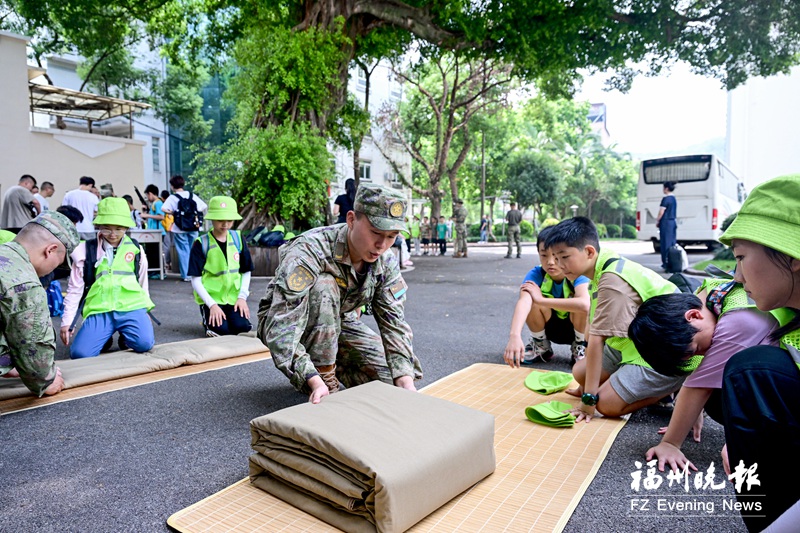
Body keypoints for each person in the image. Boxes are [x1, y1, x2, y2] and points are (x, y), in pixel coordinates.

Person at [257, 183, 423, 404]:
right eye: (375, 232)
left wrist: (405, 381)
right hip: (292, 323)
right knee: (324, 285)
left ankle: (336, 364)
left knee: (393, 383)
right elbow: (281, 327)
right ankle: (323, 377)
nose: (382, 244)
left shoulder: (385, 261)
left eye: (392, 236)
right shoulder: (311, 249)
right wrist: (312, 378)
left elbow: (394, 323)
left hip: (338, 323)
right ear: (352, 219)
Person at [711, 175, 800, 531]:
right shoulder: (786, 317)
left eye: (742, 257)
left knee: (750, 374)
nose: (737, 275)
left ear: (791, 256)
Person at [628, 279, 781, 474]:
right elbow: (700, 376)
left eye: (696, 349)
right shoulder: (711, 294)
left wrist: (670, 443)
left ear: (693, 315)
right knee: (716, 399)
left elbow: (699, 387)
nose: (700, 355)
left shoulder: (739, 320)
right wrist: (691, 413)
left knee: (720, 398)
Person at [543, 216, 683, 423]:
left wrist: (588, 401)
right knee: (580, 373)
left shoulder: (611, 280)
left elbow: (597, 340)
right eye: (555, 257)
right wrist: (588, 386)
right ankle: (629, 384)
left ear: (589, 252)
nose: (557, 264)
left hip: (663, 352)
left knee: (605, 404)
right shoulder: (601, 265)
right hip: (633, 344)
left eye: (564, 257)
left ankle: (672, 387)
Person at [60, 197, 155, 359]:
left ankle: (127, 334)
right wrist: (67, 322)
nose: (112, 234)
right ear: (98, 226)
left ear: (126, 226)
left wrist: (145, 311)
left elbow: (142, 284)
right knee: (80, 354)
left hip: (131, 307)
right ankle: (105, 336)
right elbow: (74, 290)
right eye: (106, 228)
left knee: (144, 344)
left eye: (119, 228)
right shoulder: (84, 250)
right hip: (100, 309)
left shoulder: (136, 249)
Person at [0, 211, 79, 397]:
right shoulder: (24, 283)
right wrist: (46, 380)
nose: (53, 270)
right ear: (50, 250)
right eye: (58, 263)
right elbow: (33, 345)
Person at [504, 226, 590, 368]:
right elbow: (524, 302)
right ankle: (541, 345)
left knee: (579, 305)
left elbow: (585, 304)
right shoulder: (536, 273)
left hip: (578, 328)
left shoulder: (577, 274)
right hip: (549, 326)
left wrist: (542, 299)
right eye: (544, 255)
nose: (550, 262)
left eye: (556, 256)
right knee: (531, 299)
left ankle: (580, 347)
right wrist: (514, 336)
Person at [188, 196, 254, 337]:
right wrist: (211, 305)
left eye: (229, 220)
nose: (225, 224)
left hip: (233, 298)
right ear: (212, 219)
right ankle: (209, 318)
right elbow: (195, 279)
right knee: (221, 331)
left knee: (242, 328)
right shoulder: (201, 243)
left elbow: (246, 270)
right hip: (212, 298)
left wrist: (242, 297)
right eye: (220, 220)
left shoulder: (238, 239)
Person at [161, 175, 208, 282]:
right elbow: (203, 206)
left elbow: (163, 208)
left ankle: (187, 275)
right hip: (194, 227)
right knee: (194, 249)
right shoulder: (191, 195)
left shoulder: (173, 197)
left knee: (183, 250)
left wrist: (173, 212)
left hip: (179, 227)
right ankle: (196, 273)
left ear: (172, 186)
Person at [62, 176, 100, 240]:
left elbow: (63, 210)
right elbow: (97, 211)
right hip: (88, 228)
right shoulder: (93, 197)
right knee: (89, 249)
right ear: (90, 185)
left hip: (72, 228)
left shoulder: (69, 194)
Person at [656, 181, 677, 270]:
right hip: (672, 222)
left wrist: (657, 220)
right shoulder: (674, 199)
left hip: (665, 222)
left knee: (665, 243)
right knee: (671, 242)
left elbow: (661, 212)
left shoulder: (666, 199)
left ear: (666, 188)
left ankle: (666, 263)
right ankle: (673, 261)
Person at [159, 189, 173, 273]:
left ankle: (167, 263)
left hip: (167, 228)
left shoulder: (163, 205)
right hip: (174, 227)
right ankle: (172, 263)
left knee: (167, 246)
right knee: (173, 246)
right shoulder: (172, 203)